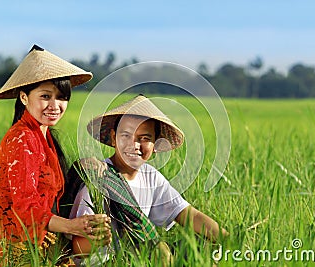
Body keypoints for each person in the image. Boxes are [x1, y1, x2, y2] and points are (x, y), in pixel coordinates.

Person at [0, 45, 111, 266]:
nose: (55, 106)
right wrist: (73, 226)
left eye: (62, 97)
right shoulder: (22, 140)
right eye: (45, 96)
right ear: (23, 97)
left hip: (41, 241)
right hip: (15, 248)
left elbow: (47, 190)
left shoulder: (44, 137)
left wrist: (80, 168)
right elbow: (26, 207)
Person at [69, 94, 229, 265]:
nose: (135, 145)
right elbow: (77, 247)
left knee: (198, 247)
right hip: (102, 263)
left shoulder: (150, 176)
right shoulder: (98, 178)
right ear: (114, 137)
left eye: (145, 138)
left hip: (136, 260)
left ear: (155, 146)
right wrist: (98, 238)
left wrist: (228, 240)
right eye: (126, 135)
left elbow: (187, 214)